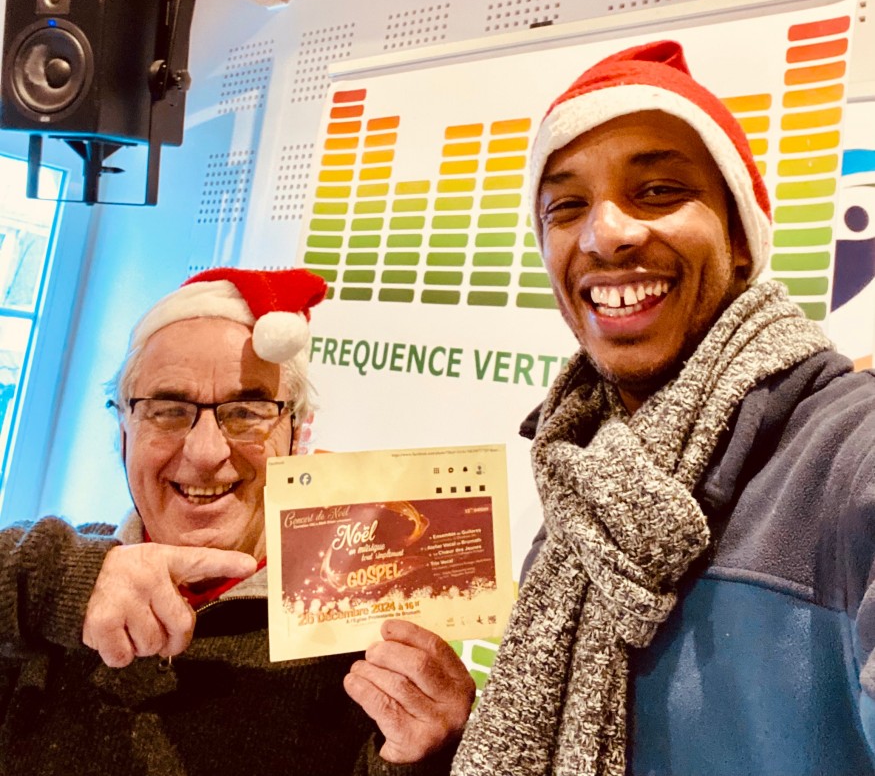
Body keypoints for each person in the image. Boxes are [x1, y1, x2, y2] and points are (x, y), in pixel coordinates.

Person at [452, 40, 875, 776]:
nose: (604, 234)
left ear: (739, 238)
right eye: (567, 205)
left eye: (657, 191)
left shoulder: (847, 454)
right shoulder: (582, 468)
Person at [0, 266, 474, 775]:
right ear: (123, 430)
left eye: (247, 411)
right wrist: (56, 583)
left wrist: (428, 758)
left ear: (298, 436)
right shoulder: (48, 585)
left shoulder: (364, 642)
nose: (206, 453)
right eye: (168, 409)